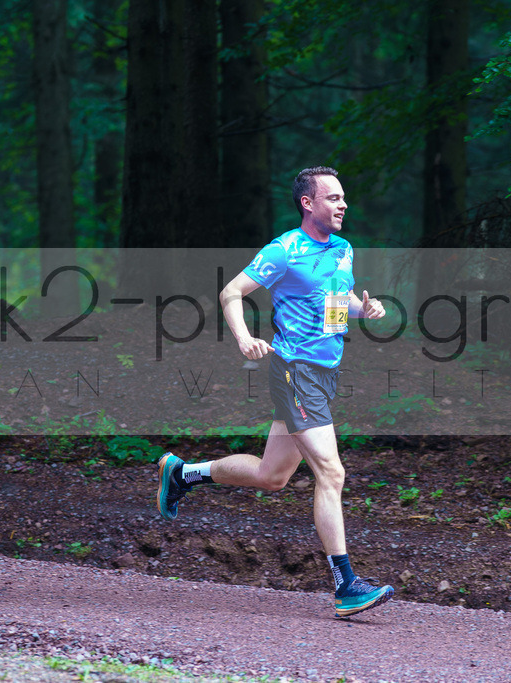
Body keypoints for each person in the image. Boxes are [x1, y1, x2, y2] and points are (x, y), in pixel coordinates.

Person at [156, 166, 393, 618]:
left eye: (344, 198)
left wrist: (365, 309)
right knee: (332, 472)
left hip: (324, 374)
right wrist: (245, 337)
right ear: (309, 203)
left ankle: (182, 474)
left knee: (272, 476)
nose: (343, 205)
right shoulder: (285, 250)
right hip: (294, 371)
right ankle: (346, 584)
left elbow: (331, 311)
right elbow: (231, 292)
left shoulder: (343, 251)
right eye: (333, 198)